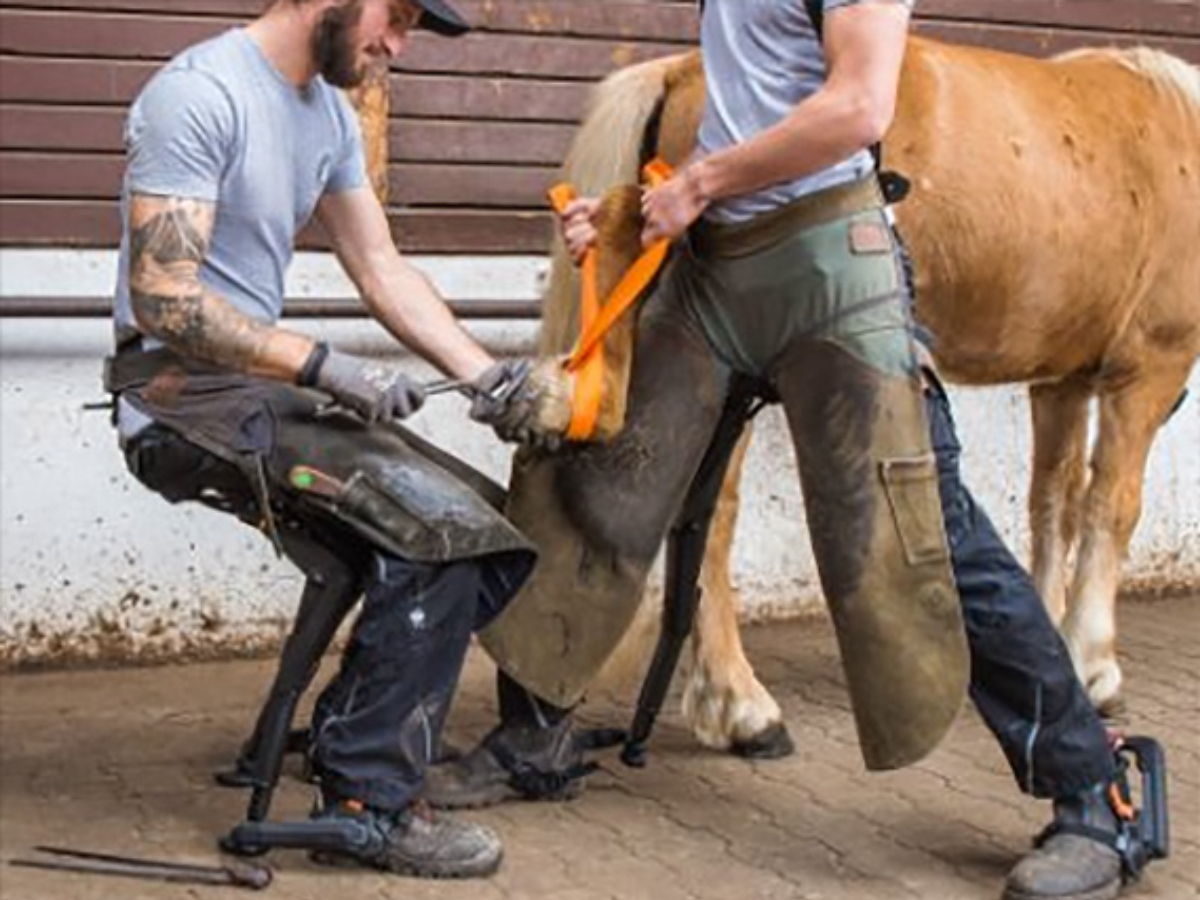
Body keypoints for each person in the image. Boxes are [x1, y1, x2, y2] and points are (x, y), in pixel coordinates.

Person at [425, 2, 1161, 899]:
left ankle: (1094, 795)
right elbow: (749, 106)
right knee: (600, 470)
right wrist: (639, 211)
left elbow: (858, 108)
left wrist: (700, 183)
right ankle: (532, 733)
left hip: (827, 264)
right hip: (716, 266)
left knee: (921, 524)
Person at [105, 0, 559, 880]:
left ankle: (356, 731)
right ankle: (366, 804)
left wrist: (482, 375)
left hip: (258, 391)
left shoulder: (329, 116)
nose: (397, 44)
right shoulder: (198, 95)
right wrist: (323, 366)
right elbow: (166, 297)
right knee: (439, 540)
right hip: (176, 402)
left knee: (492, 532)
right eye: (396, 17)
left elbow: (381, 266)